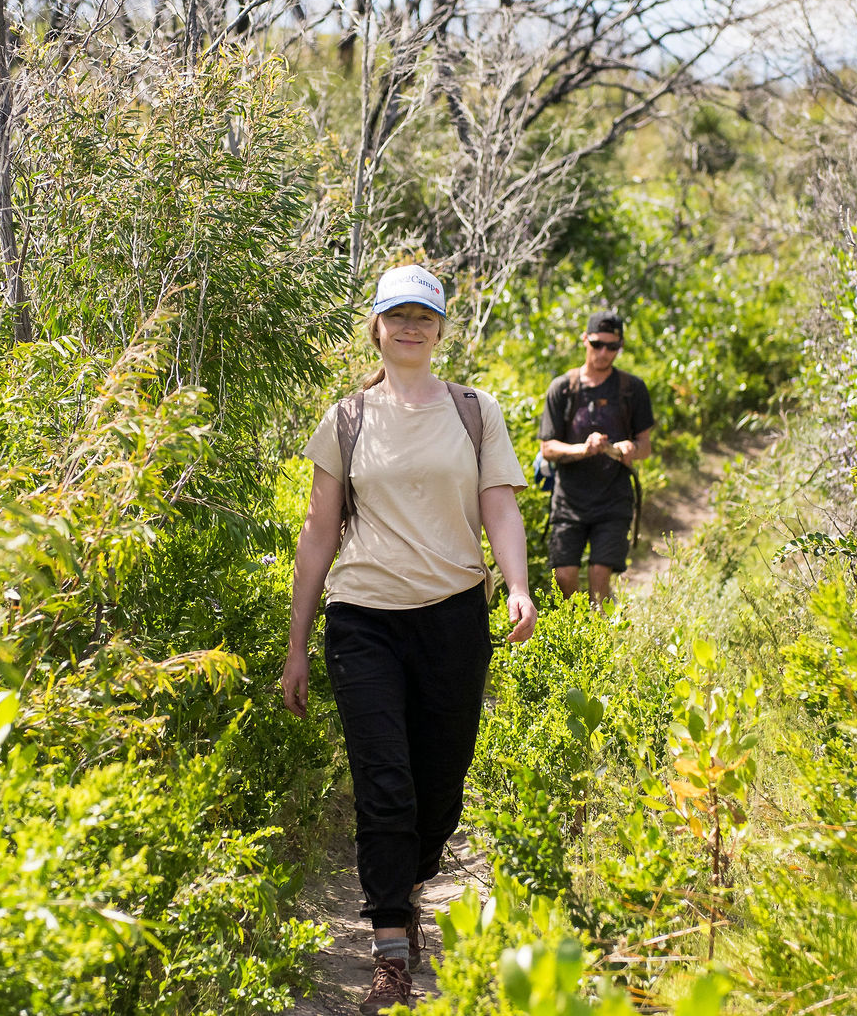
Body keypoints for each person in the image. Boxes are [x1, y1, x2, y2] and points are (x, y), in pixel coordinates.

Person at [281, 263, 536, 1014]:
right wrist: (298, 641)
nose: (411, 326)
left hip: (454, 616)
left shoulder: (474, 410)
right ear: (378, 326)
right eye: (398, 315)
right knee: (385, 785)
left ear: (440, 327)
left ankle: (409, 881)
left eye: (424, 315)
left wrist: (516, 584)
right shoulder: (347, 418)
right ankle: (391, 947)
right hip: (362, 617)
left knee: (439, 786)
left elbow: (501, 507)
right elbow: (318, 531)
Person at [537, 312, 655, 606]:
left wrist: (630, 448)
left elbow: (646, 446)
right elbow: (547, 448)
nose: (604, 353)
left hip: (614, 498)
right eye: (598, 344)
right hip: (570, 500)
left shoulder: (632, 388)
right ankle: (577, 640)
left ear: (620, 347)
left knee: (600, 578)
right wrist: (584, 449)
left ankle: (602, 640)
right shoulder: (562, 388)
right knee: (564, 577)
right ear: (585, 341)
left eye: (612, 347)